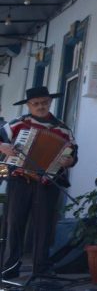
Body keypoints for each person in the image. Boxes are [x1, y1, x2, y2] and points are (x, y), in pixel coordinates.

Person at [0, 86, 77, 278]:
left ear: (50, 102)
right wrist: (3, 147)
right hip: (20, 180)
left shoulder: (62, 129)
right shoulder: (17, 125)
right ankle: (10, 268)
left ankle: (41, 269)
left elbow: (73, 154)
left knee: (44, 227)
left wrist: (70, 161)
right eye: (36, 104)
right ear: (28, 105)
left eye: (44, 102)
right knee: (15, 224)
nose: (40, 106)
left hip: (47, 183)